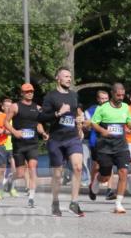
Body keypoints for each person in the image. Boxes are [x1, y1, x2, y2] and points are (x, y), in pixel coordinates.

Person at [39, 67, 86, 217]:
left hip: (72, 137)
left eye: (70, 76)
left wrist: (80, 121)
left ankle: (74, 202)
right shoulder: (50, 97)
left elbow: (77, 113)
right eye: (66, 76)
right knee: (57, 175)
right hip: (56, 139)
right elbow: (41, 118)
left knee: (78, 167)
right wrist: (58, 113)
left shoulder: (74, 96)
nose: (69, 79)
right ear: (57, 78)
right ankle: (55, 202)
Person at [89, 82, 131, 214]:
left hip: (121, 146)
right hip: (105, 147)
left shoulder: (126, 107)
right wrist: (102, 131)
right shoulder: (103, 108)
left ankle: (118, 204)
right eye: (118, 95)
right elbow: (93, 123)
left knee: (123, 172)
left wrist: (130, 126)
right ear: (112, 94)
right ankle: (96, 181)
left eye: (123, 95)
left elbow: (128, 119)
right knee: (106, 176)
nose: (121, 97)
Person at [6, 83, 45, 208]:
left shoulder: (37, 108)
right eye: (27, 91)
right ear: (22, 93)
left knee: (33, 168)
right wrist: (15, 132)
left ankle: (31, 197)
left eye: (31, 91)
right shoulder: (15, 106)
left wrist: (43, 132)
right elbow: (5, 122)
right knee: (21, 174)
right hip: (19, 144)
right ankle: (11, 178)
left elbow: (38, 124)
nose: (30, 93)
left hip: (32, 143)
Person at [83, 88, 109, 199]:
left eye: (106, 98)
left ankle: (109, 190)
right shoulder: (91, 110)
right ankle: (92, 184)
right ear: (98, 99)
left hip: (110, 140)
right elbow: (86, 125)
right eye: (102, 98)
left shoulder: (112, 108)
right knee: (96, 166)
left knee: (110, 165)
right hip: (96, 141)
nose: (104, 100)